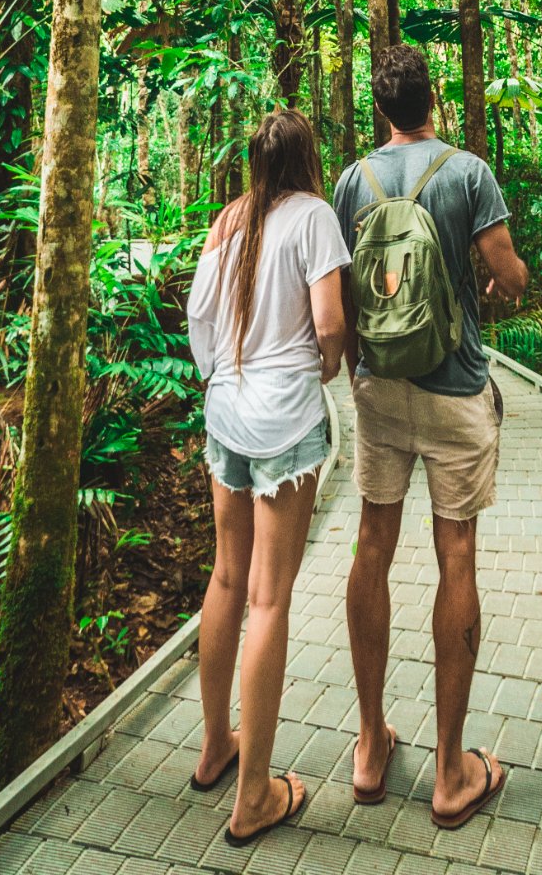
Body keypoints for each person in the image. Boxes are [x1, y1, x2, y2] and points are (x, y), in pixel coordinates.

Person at [333, 45, 530, 830]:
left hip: (380, 394)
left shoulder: (354, 181)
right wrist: (496, 282)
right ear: (433, 100)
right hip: (454, 390)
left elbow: (344, 290)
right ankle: (451, 773)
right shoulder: (469, 172)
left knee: (370, 548)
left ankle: (369, 744)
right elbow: (508, 273)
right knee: (456, 556)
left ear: (382, 109)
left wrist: (354, 377)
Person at [185, 108, 350, 847]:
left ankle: (216, 744)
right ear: (307, 160)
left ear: (255, 162)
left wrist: (221, 378)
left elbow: (198, 318)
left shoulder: (227, 220)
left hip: (227, 412)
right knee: (268, 598)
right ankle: (254, 796)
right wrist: (327, 369)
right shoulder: (314, 217)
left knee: (226, 579)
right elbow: (330, 324)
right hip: (285, 418)